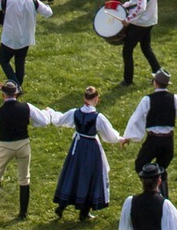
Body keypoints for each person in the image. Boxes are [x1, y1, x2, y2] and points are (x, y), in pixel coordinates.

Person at [0, 81, 59, 221]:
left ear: (3, 95)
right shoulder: (27, 107)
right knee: (25, 178)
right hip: (24, 145)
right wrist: (47, 113)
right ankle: (23, 213)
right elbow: (43, 121)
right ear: (17, 94)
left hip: (6, 146)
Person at [52, 86, 125, 221]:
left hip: (77, 147)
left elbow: (60, 120)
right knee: (91, 177)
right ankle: (84, 212)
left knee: (72, 173)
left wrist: (50, 113)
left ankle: (61, 206)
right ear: (97, 99)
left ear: (84, 98)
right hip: (91, 149)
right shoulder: (98, 117)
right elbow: (109, 135)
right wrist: (120, 138)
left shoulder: (75, 112)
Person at [122, 71, 177, 177]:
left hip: (153, 141)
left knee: (140, 166)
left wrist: (128, 137)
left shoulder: (147, 100)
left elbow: (136, 118)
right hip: (168, 142)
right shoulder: (174, 98)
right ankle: (159, 187)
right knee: (161, 169)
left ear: (155, 83)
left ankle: (152, 188)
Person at [118, 0, 160, 86]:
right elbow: (137, 1)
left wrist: (127, 19)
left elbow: (141, 8)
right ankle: (159, 75)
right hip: (150, 21)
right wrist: (126, 4)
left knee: (127, 50)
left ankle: (128, 80)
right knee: (146, 48)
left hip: (140, 24)